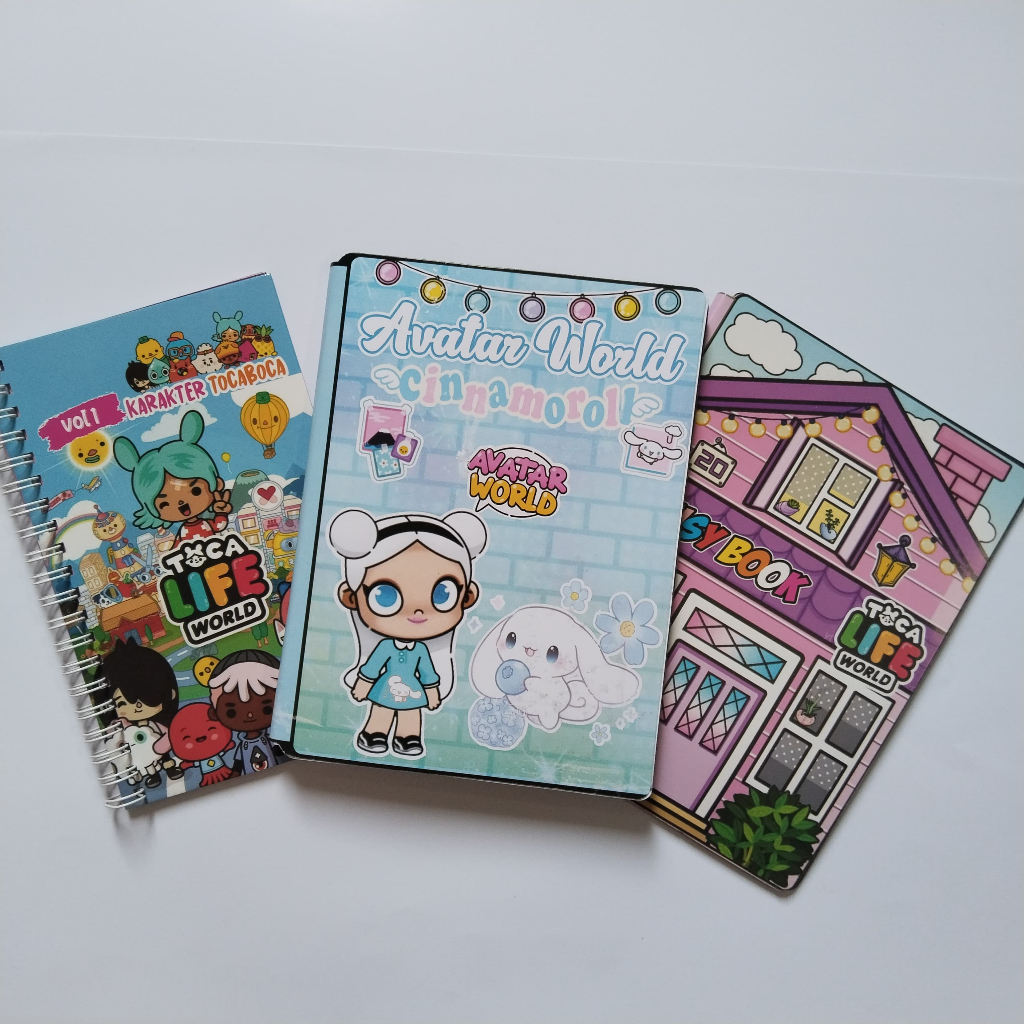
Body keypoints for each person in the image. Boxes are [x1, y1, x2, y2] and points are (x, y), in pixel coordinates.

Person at [328, 508, 486, 758]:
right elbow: (372, 667)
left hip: (413, 689)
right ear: (351, 598)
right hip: (385, 687)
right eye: (385, 595)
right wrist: (362, 686)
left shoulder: (421, 650)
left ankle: (408, 738)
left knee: (411, 715)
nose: (418, 611)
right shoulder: (385, 647)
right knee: (381, 710)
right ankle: (374, 734)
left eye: (442, 594)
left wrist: (432, 693)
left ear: (467, 597)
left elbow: (429, 673)